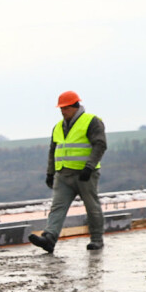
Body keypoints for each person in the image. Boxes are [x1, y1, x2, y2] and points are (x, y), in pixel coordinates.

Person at [29, 91, 107, 252]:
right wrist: (50, 173)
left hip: (85, 175)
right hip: (63, 175)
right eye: (61, 109)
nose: (62, 111)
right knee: (57, 207)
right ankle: (49, 238)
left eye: (65, 108)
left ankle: (97, 239)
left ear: (75, 106)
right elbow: (53, 151)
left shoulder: (91, 122)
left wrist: (89, 167)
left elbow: (100, 145)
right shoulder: (58, 126)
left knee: (92, 207)